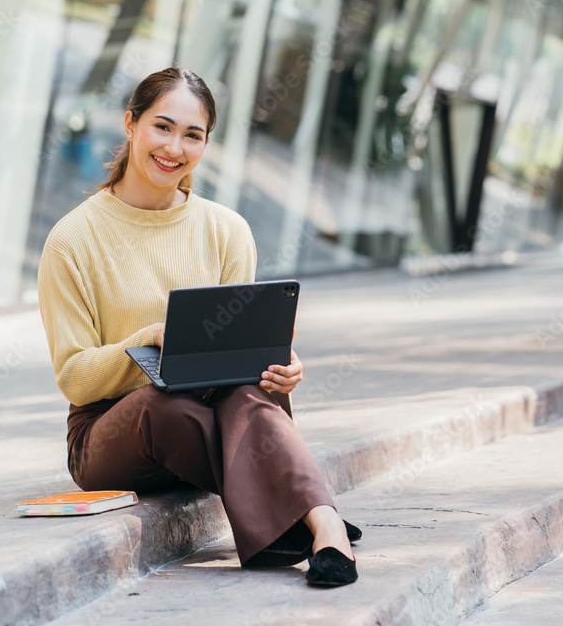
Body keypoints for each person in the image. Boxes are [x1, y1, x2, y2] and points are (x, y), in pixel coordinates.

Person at [37, 67, 358, 587]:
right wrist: (148, 340)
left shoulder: (227, 231)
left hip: (213, 411)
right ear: (130, 124)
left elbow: (240, 365)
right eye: (162, 127)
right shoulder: (72, 240)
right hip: (111, 434)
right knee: (167, 404)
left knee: (249, 390)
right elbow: (74, 377)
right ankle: (307, 512)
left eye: (193, 135)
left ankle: (325, 530)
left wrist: (278, 368)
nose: (174, 148)